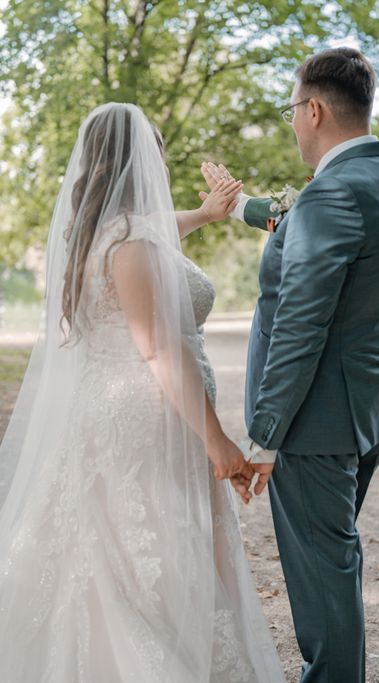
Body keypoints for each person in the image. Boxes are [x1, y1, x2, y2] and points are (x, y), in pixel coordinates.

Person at [0, 102, 285, 683]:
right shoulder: (130, 242)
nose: (161, 166)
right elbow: (158, 350)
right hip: (144, 418)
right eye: (156, 154)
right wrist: (218, 441)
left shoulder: (103, 231)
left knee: (119, 553)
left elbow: (156, 228)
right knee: (148, 559)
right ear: (136, 163)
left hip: (120, 410)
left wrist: (206, 214)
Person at [201, 47, 379, 683]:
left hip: (313, 425)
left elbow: (301, 325)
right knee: (335, 565)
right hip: (363, 412)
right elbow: (306, 222)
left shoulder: (335, 193)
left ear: (315, 110)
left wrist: (265, 436)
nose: (293, 123)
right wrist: (238, 206)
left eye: (292, 110)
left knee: (325, 583)